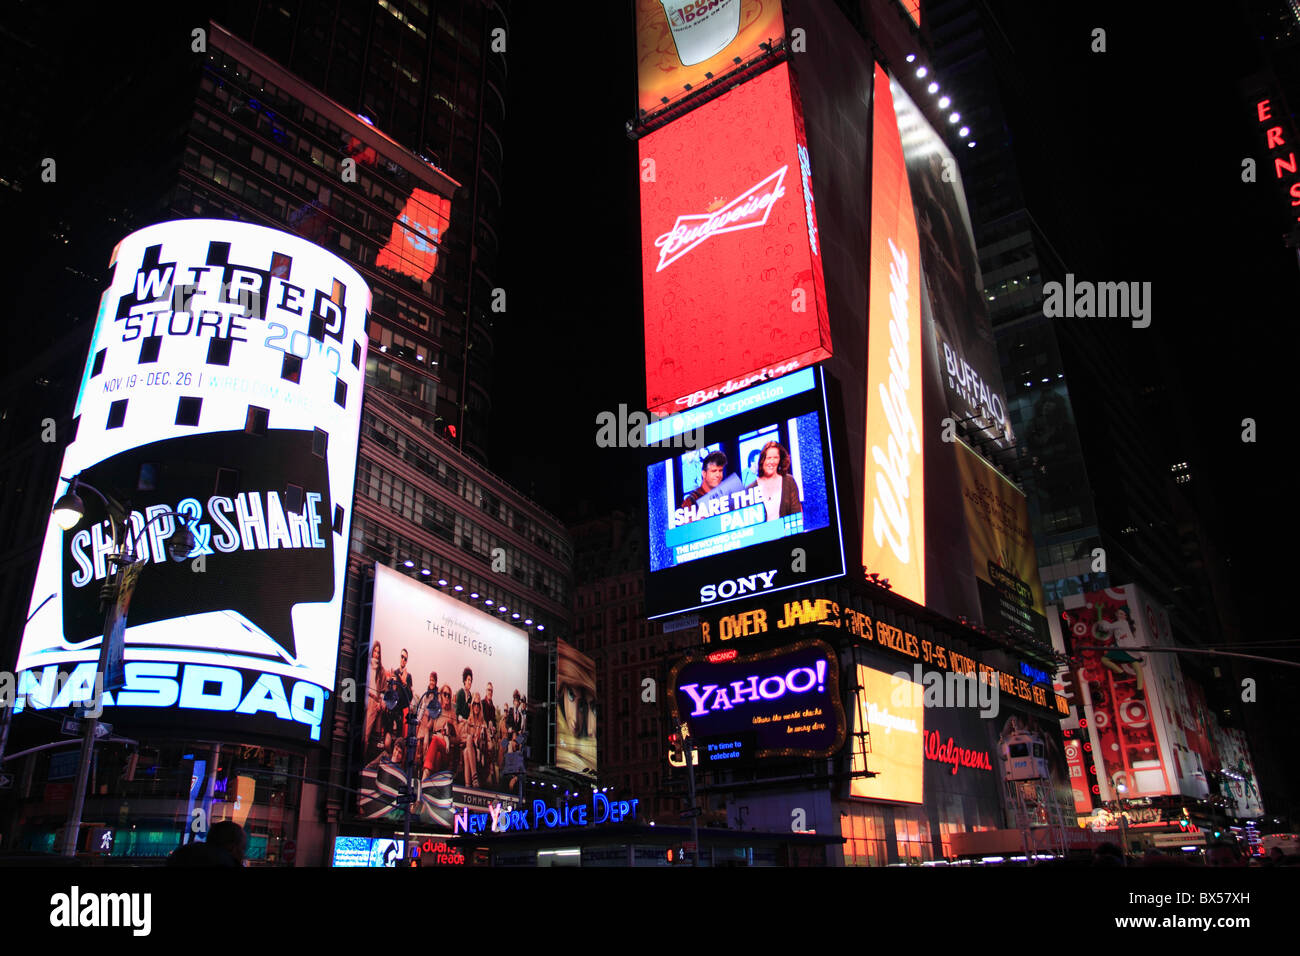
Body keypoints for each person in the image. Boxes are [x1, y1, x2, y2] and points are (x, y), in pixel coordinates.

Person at [745, 441, 802, 521]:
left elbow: (796, 515)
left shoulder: (789, 481)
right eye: (768, 458)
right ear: (762, 460)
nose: (772, 462)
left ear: (780, 460)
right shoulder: (750, 489)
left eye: (775, 458)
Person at [167, 821, 247, 867]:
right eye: (243, 848)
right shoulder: (228, 863)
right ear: (232, 847)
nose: (244, 854)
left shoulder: (180, 854)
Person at [423, 684, 458, 778]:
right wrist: (426, 736)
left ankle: (425, 775)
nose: (447, 697)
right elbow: (427, 727)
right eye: (445, 694)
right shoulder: (437, 710)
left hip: (446, 749)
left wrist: (446, 736)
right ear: (441, 695)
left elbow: (457, 737)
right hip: (436, 747)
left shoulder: (452, 714)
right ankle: (431, 783)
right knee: (437, 756)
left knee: (435, 741)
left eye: (449, 695)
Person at [364, 642, 388, 761]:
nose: (377, 654)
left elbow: (384, 691)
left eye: (378, 652)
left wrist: (380, 701)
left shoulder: (381, 671)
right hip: (363, 697)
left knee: (365, 736)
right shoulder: (366, 664)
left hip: (373, 701)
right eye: (375, 651)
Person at [460, 693, 489, 788]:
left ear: (480, 707)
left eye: (478, 704)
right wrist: (471, 738)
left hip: (479, 754)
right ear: (472, 706)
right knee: (466, 750)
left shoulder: (483, 722)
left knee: (466, 750)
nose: (476, 706)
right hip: (470, 751)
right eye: (474, 704)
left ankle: (471, 780)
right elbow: (462, 737)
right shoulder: (469, 721)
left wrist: (482, 737)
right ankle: (471, 781)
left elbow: (490, 743)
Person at [413, 671, 439, 768]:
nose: (431, 682)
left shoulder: (437, 695)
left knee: (425, 743)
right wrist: (418, 721)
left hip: (430, 722)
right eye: (430, 680)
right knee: (418, 743)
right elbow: (421, 709)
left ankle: (425, 764)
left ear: (436, 682)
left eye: (433, 680)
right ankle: (417, 764)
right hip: (423, 720)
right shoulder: (426, 694)